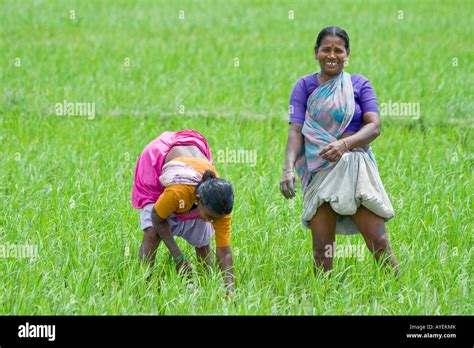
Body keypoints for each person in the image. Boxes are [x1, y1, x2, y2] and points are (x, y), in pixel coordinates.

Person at [280, 26, 399, 276]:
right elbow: (295, 130)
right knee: (322, 250)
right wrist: (288, 168)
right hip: (320, 171)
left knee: (378, 240)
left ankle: (398, 293)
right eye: (326, 49)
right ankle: (322, 299)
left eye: (338, 50)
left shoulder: (359, 84)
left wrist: (344, 145)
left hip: (355, 168)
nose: (331, 55)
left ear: (347, 54)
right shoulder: (304, 86)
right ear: (316, 53)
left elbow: (374, 126)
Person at [132, 130, 235, 294]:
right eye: (209, 216)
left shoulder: (221, 203)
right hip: (157, 162)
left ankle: (205, 288)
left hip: (192, 159)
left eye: (214, 219)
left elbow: (224, 251)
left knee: (203, 238)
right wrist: (178, 257)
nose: (211, 221)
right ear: (198, 199)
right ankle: (143, 287)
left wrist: (230, 290)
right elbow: (157, 218)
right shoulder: (178, 192)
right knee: (152, 233)